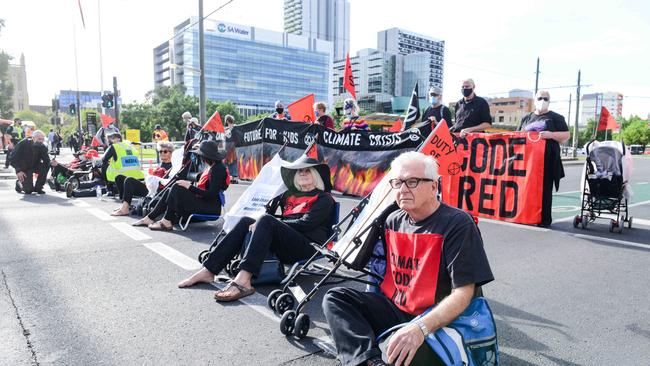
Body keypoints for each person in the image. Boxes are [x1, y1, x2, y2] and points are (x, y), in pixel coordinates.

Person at [323, 151, 494, 366]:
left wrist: (419, 328)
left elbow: (463, 293)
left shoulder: (458, 224)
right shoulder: (392, 220)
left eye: (412, 181)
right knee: (336, 298)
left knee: (402, 354)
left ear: (434, 186)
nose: (403, 189)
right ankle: (368, 362)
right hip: (399, 308)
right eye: (397, 182)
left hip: (440, 319)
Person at [177, 155, 335, 301]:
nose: (302, 173)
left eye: (308, 171)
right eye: (299, 171)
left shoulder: (324, 198)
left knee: (265, 220)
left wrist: (267, 221)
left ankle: (244, 279)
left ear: (316, 176)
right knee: (247, 220)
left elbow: (305, 224)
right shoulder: (289, 196)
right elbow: (271, 216)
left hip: (308, 247)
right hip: (287, 244)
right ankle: (209, 270)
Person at [132, 140, 229, 231]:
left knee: (177, 187)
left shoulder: (218, 169)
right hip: (204, 203)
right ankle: (151, 217)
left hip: (210, 208)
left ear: (205, 156)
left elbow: (211, 194)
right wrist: (189, 184)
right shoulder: (213, 166)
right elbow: (207, 183)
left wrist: (189, 187)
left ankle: (166, 221)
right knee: (174, 187)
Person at [517, 90, 570, 227]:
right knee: (526, 189)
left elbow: (566, 135)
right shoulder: (526, 118)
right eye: (540, 98)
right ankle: (526, 216)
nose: (542, 100)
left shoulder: (556, 117)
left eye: (546, 98)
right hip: (528, 162)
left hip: (547, 161)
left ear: (549, 101)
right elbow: (516, 137)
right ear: (535, 100)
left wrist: (551, 135)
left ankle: (544, 220)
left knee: (545, 191)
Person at [111, 141, 175, 216]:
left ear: (171, 153)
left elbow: (166, 182)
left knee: (129, 180)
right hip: (149, 186)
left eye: (165, 151)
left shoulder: (173, 166)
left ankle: (125, 209)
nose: (162, 153)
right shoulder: (161, 164)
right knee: (119, 178)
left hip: (156, 191)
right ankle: (125, 205)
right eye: (160, 151)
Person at [11, 130, 58, 195]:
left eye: (42, 139)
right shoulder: (23, 143)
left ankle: (38, 187)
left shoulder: (42, 146)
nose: (41, 141)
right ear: (33, 138)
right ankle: (19, 183)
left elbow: (46, 160)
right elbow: (12, 158)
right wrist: (18, 171)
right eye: (39, 139)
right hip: (24, 168)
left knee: (47, 165)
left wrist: (51, 162)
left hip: (35, 165)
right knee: (28, 190)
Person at [223, 114, 238, 183]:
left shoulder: (227, 129)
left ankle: (231, 177)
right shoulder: (236, 127)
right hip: (233, 146)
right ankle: (234, 177)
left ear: (227, 121)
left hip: (228, 146)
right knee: (233, 161)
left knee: (228, 162)